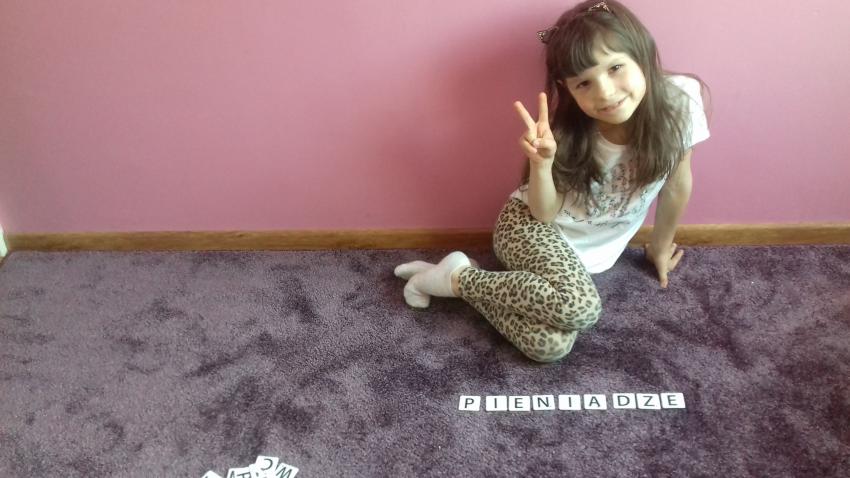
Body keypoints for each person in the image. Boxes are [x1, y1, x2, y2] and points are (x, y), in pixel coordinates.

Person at [394, 0, 710, 363]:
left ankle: (458, 276)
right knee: (582, 308)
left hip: (586, 252)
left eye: (615, 67)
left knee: (550, 346)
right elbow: (543, 214)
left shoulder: (681, 101)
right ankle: (454, 280)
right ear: (568, 89)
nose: (605, 92)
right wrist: (541, 165)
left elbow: (677, 182)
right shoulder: (569, 135)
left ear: (643, 54)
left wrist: (660, 246)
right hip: (528, 226)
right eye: (584, 83)